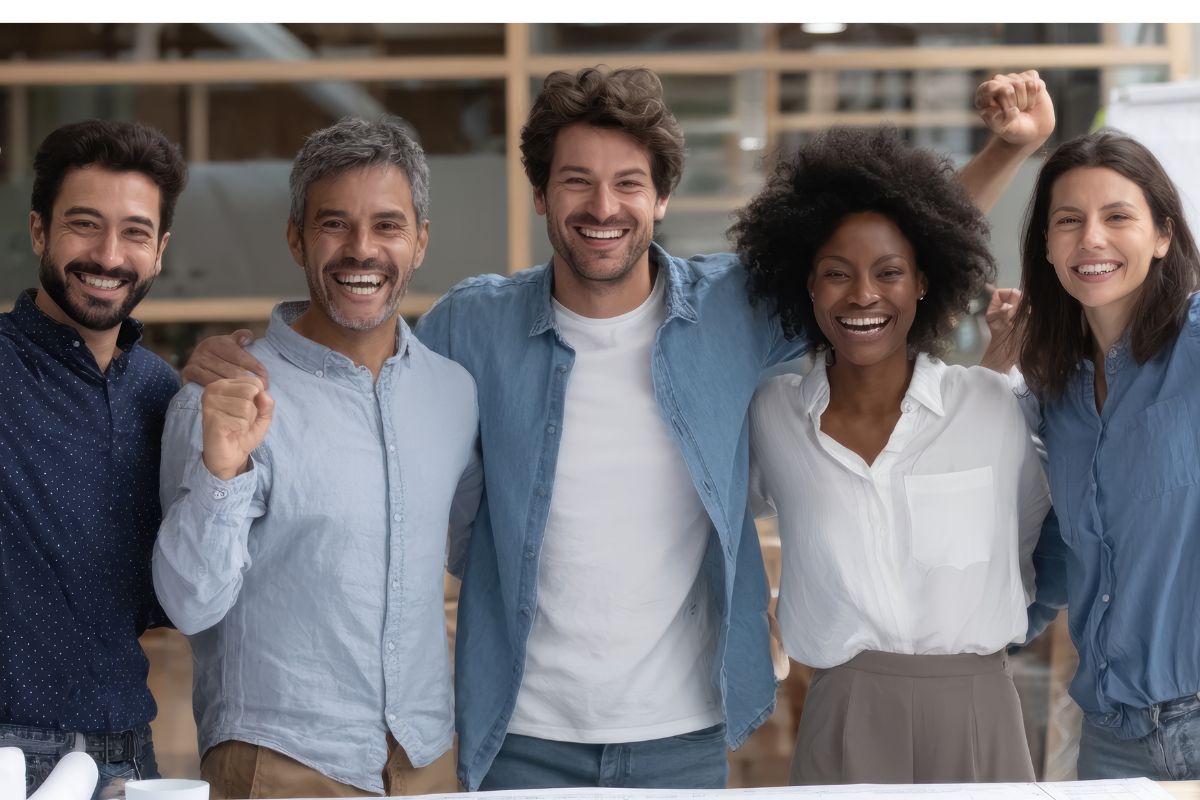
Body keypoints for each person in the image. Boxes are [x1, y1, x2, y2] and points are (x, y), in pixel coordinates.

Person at [185, 67, 1054, 791]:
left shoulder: (734, 309)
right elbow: (358, 347)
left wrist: (1006, 151)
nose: (603, 206)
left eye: (628, 183)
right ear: (540, 194)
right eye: (577, 181)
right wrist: (242, 355)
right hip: (517, 732)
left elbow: (883, 253)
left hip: (683, 732)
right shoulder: (471, 326)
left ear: (663, 197)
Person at [152, 117, 479, 799]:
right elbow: (189, 604)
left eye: (388, 226)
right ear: (297, 236)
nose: (362, 250)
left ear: (419, 241)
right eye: (335, 224)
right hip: (281, 764)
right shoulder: (226, 396)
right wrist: (222, 473)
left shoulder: (453, 393)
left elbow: (474, 550)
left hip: (427, 761)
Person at [733, 127, 1052, 784]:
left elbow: (1039, 537)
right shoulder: (773, 417)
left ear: (925, 281)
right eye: (836, 274)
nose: (863, 296)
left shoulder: (994, 409)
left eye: (889, 272)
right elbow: (711, 511)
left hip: (977, 712)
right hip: (843, 710)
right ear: (808, 287)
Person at [0, 119, 186, 800]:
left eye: (135, 232)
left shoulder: (165, 395)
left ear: (160, 250)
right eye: (84, 225)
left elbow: (170, 597)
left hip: (131, 758)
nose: (109, 254)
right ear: (40, 231)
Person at [1011, 130, 1200, 780]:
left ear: (1163, 236)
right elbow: (1069, 546)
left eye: (1118, 216)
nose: (1091, 238)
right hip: (1109, 729)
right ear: (1047, 245)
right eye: (1069, 221)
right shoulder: (1056, 388)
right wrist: (987, 633)